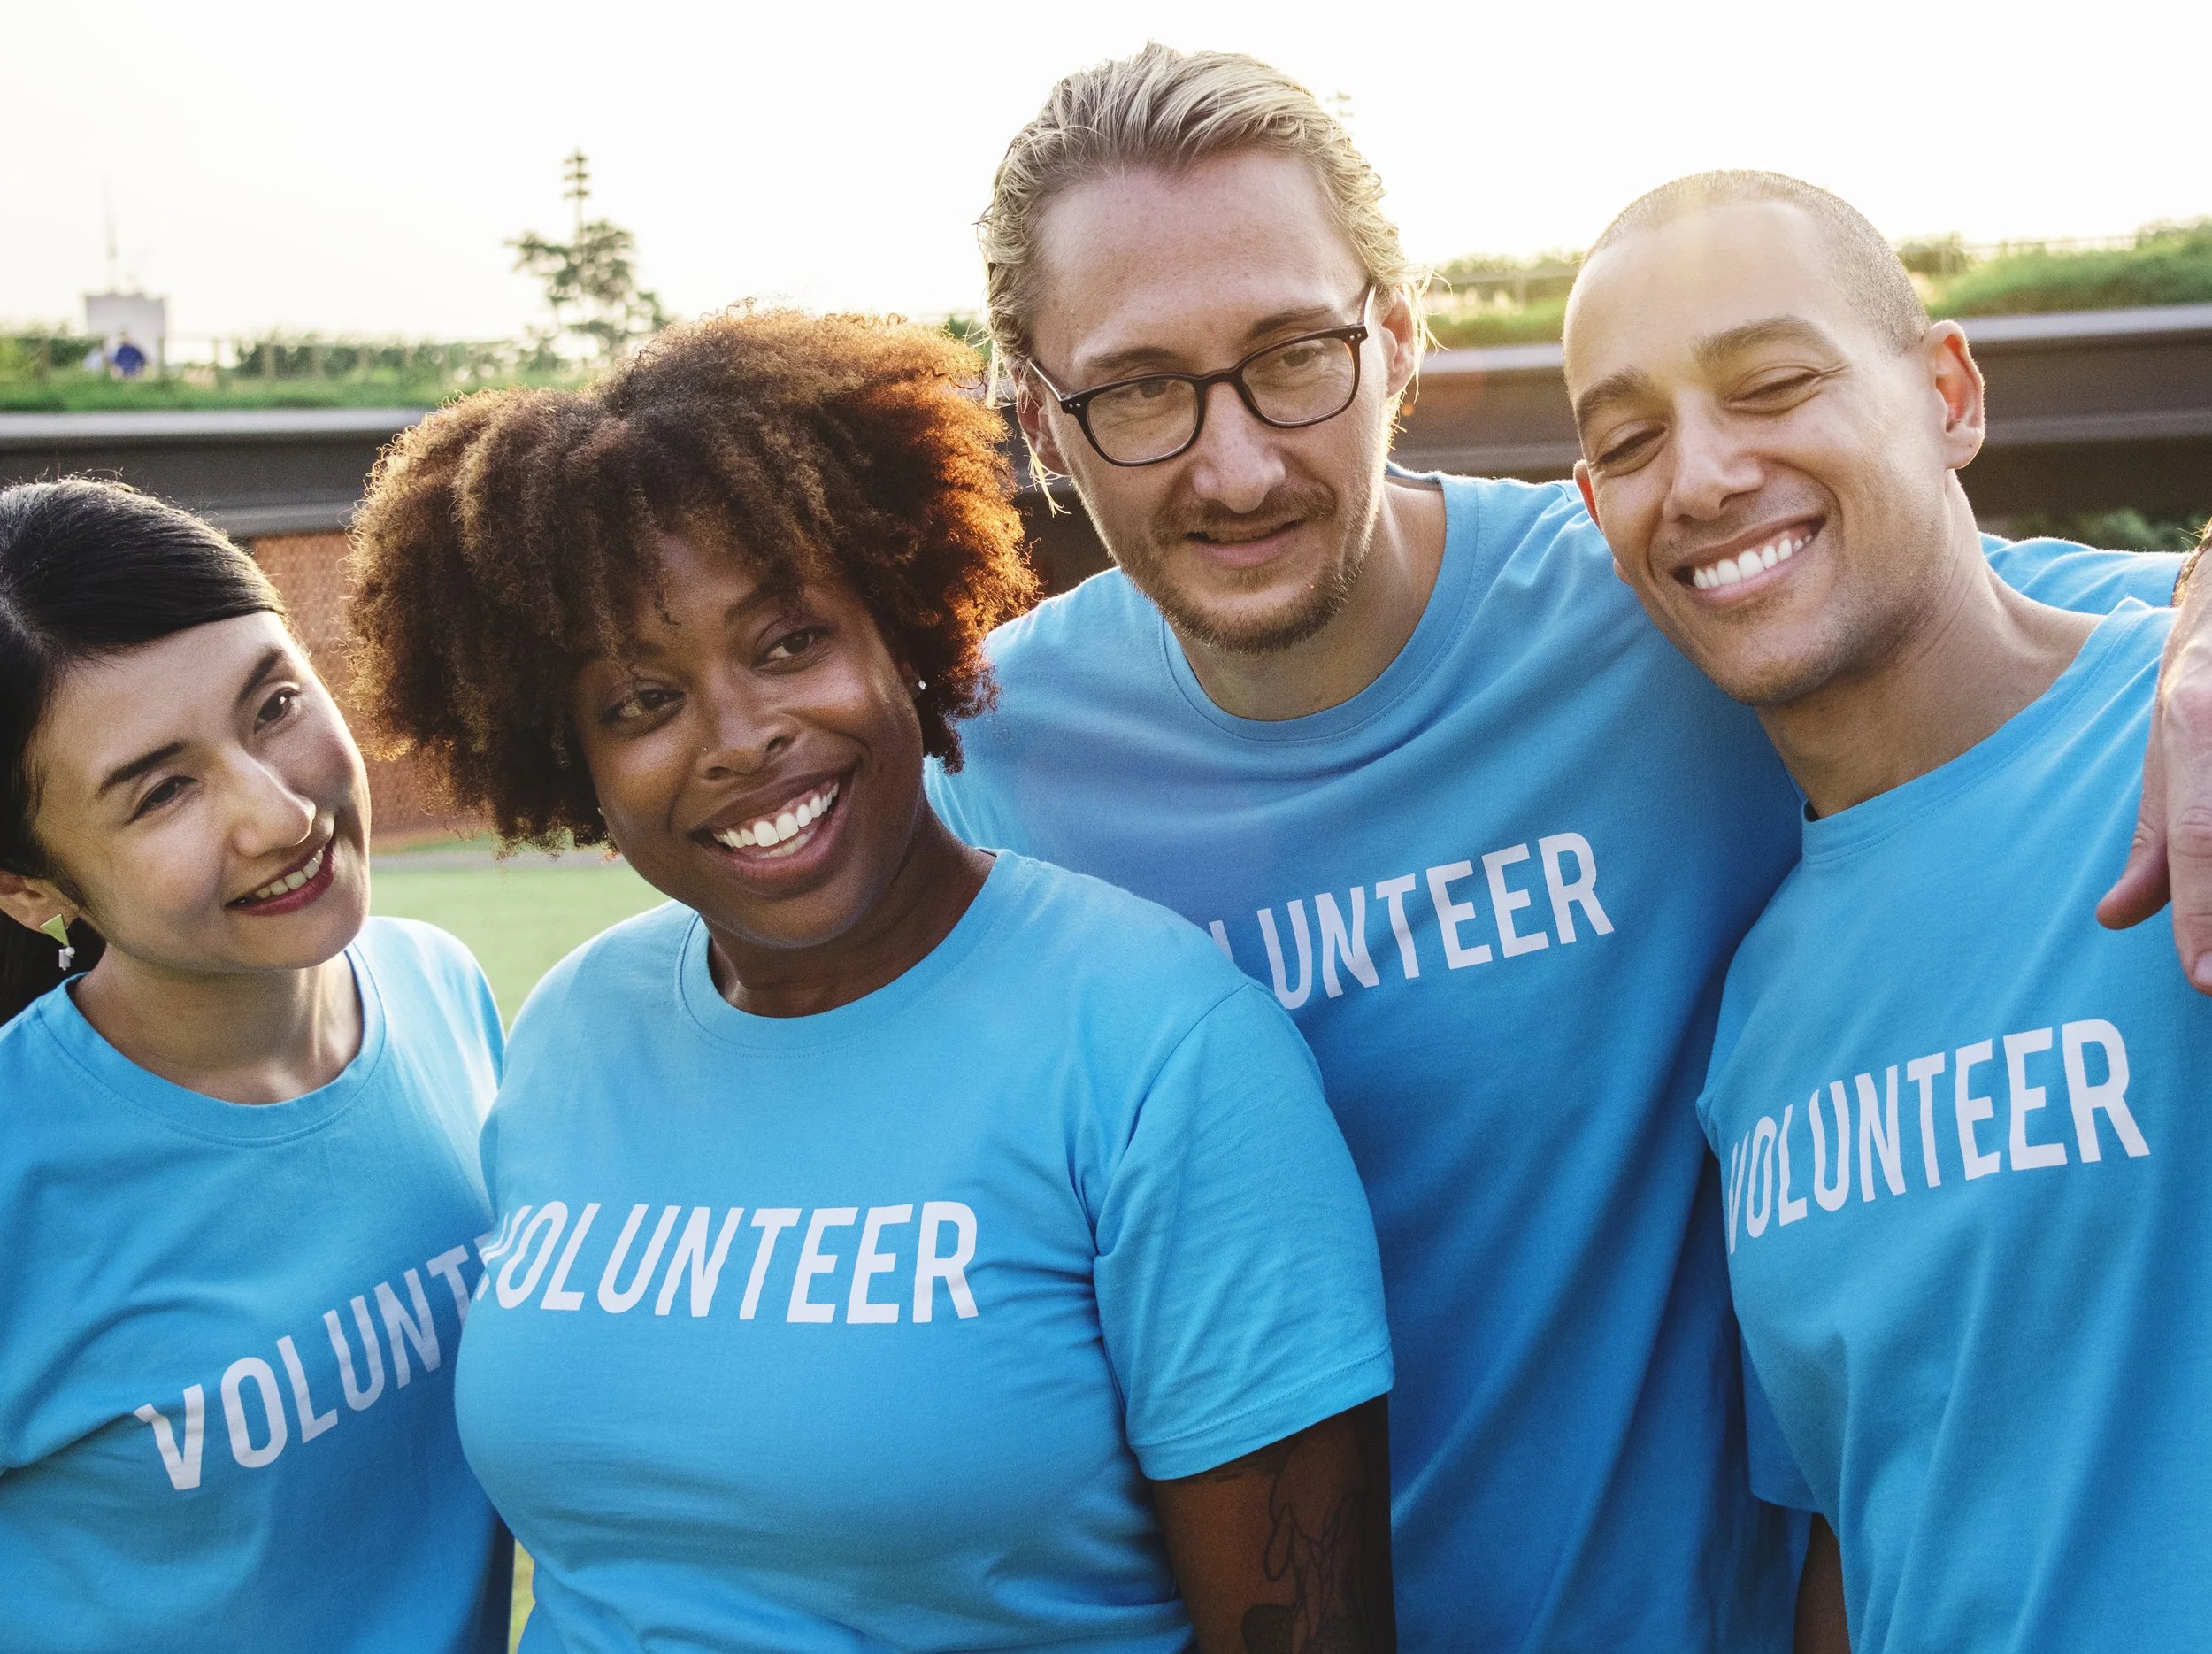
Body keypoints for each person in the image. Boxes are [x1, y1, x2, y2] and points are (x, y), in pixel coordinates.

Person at [926, 46, 2196, 1651]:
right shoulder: (988, 764)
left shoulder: (1660, 590)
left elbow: (2015, 624)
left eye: (1294, 354)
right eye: (1138, 391)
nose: (1234, 460)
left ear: (1397, 335)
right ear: (1043, 418)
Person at [346, 308, 1397, 1654]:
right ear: (572, 761)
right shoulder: (570, 1029)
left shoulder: (1160, 1048)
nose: (741, 737)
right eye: (641, 702)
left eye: (789, 642)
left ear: (903, 625)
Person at [1562, 169, 2212, 1651]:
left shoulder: (2184, 742)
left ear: (1947, 394)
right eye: (1632, 440)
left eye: (1775, 384)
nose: (1707, 474)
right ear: (1598, 510)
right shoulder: (1757, 1015)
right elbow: (1870, 1531)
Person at [0, 480, 510, 1652]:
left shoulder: (442, 992)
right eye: (164, 789)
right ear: (28, 885)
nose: (279, 813)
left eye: (273, 703)